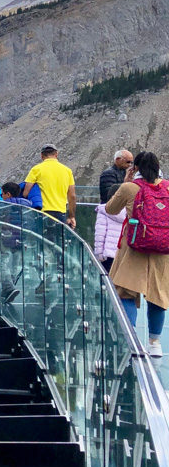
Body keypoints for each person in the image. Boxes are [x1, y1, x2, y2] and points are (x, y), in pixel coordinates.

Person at [106, 151, 169, 357]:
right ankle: (155, 343)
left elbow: (111, 209)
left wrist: (126, 180)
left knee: (126, 291)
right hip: (162, 250)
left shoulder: (130, 187)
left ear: (135, 168)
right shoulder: (167, 187)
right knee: (158, 295)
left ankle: (132, 340)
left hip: (134, 248)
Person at [23, 144, 76, 228]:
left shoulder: (36, 169)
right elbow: (72, 196)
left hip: (42, 212)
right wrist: (71, 216)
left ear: (42, 155)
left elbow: (26, 192)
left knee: (42, 240)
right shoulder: (67, 171)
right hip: (60, 213)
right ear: (56, 154)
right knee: (58, 240)